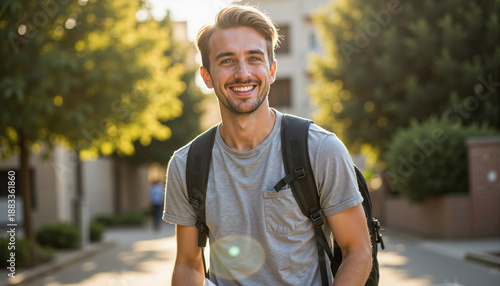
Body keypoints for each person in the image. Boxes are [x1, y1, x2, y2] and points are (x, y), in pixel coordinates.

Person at [163, 5, 372, 285]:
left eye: (254, 58)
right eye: (227, 61)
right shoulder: (187, 165)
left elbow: (357, 252)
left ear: (271, 70)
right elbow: (188, 263)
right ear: (207, 77)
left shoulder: (320, 150)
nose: (242, 73)